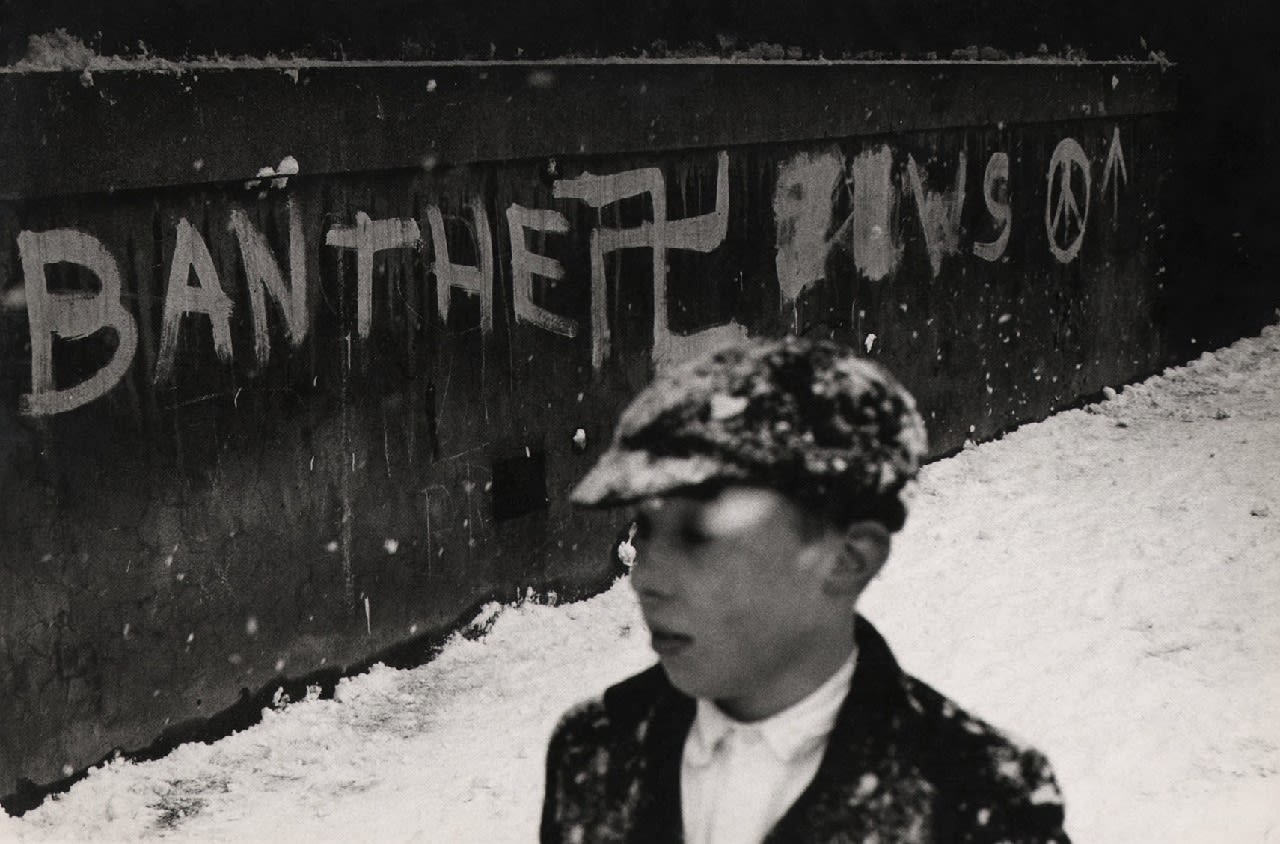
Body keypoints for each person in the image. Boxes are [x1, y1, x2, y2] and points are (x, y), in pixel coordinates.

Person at [540, 336, 1069, 843]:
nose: (645, 578)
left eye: (701, 535)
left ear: (847, 560)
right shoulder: (595, 747)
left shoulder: (977, 801)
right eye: (644, 531)